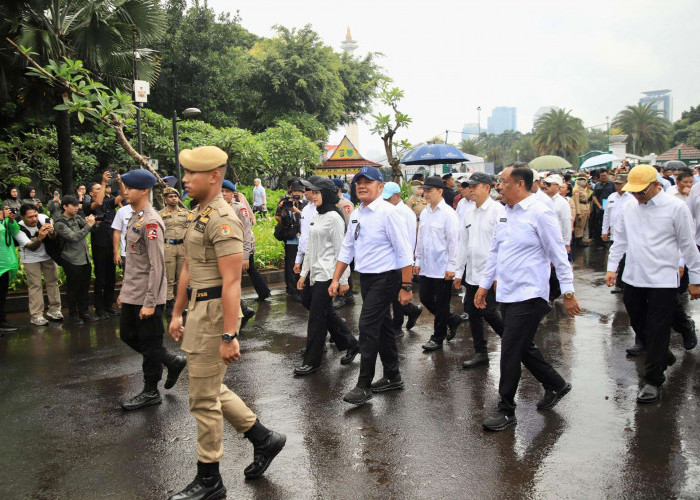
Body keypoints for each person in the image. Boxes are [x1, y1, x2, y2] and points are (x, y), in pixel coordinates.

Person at [168, 146, 285, 498]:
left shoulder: (223, 219)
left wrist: (230, 334)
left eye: (192, 174)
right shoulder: (198, 214)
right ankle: (265, 439)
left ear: (214, 176)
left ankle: (210, 480)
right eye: (185, 173)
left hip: (214, 313)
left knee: (203, 399)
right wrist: (176, 312)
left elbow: (233, 282)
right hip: (197, 310)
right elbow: (188, 267)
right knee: (210, 389)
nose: (184, 180)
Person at [475, 165, 581, 432]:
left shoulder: (540, 213)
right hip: (508, 293)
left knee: (510, 349)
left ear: (519, 184)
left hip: (531, 295)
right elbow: (495, 253)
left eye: (503, 182)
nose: (499, 186)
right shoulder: (505, 213)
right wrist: (483, 286)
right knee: (521, 346)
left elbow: (559, 256)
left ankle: (506, 409)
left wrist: (568, 293)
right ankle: (556, 384)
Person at [606, 165, 700, 404]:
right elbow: (621, 239)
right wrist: (612, 267)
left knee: (658, 328)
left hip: (663, 279)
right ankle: (661, 355)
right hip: (634, 277)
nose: (637, 196)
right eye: (634, 192)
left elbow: (688, 245)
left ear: (656, 185)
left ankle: (653, 380)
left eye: (641, 192)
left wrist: (696, 280)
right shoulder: (629, 207)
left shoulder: (676, 208)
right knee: (638, 323)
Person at [331, 166, 414, 405]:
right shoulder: (358, 213)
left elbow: (404, 251)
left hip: (386, 277)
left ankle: (364, 384)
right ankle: (393, 375)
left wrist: (406, 286)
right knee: (384, 326)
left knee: (367, 327)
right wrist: (337, 278)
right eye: (359, 182)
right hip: (366, 278)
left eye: (368, 182)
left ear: (380, 186)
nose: (362, 186)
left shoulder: (388, 213)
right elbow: (348, 247)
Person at [116, 170, 186, 411]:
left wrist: (149, 302)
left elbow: (157, 267)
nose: (125, 192)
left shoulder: (151, 222)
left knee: (150, 341)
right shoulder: (135, 217)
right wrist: (124, 292)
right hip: (133, 293)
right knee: (127, 335)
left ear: (143, 190)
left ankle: (150, 391)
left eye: (129, 188)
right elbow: (135, 263)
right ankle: (170, 360)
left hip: (148, 296)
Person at [295, 177, 360, 375]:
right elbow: (311, 247)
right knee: (315, 306)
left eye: (316, 193)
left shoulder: (334, 217)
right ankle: (350, 343)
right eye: (311, 193)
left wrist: (342, 280)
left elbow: (343, 250)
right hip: (315, 272)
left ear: (327, 194)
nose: (312, 197)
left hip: (328, 274)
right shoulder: (317, 214)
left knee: (317, 318)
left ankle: (312, 361)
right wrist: (304, 274)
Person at [454, 172, 506, 368]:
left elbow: (503, 246)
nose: (471, 190)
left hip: (490, 274)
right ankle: (480, 352)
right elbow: (463, 244)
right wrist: (459, 272)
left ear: (487, 187)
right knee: (473, 312)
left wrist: (498, 275)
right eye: (469, 186)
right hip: (472, 273)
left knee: (490, 312)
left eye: (475, 186)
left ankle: (516, 345)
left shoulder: (498, 211)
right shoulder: (468, 212)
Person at [414, 176, 462, 351]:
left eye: (429, 190)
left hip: (442, 267)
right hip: (427, 265)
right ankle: (451, 319)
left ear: (440, 191)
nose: (425, 194)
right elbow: (420, 238)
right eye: (424, 190)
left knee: (441, 303)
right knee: (426, 298)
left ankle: (438, 337)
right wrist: (417, 259)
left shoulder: (449, 214)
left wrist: (452, 267)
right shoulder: (425, 212)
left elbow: (454, 243)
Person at [382, 182, 423, 337]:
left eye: (389, 198)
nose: (386, 201)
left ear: (398, 196)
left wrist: (408, 261)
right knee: (392, 294)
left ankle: (397, 326)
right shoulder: (387, 210)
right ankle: (412, 311)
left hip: (401, 259)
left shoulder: (405, 213)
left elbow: (410, 239)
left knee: (398, 293)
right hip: (388, 260)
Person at [53, 195, 100, 325]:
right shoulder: (60, 223)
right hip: (71, 259)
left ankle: (84, 312)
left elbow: (92, 228)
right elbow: (74, 237)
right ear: (65, 206)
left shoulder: (77, 218)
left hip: (84, 258)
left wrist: (93, 222)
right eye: (73, 205)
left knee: (85, 287)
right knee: (74, 287)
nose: (76, 207)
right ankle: (73, 314)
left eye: (77, 205)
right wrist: (89, 225)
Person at [83, 172, 125, 319]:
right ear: (90, 193)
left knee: (111, 277)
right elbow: (98, 202)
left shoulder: (108, 202)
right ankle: (99, 308)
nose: (104, 187)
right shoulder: (88, 206)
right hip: (99, 243)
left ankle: (109, 306)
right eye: (97, 188)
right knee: (100, 278)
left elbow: (123, 195)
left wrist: (120, 182)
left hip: (110, 242)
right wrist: (102, 182)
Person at [15, 204, 63, 325]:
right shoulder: (18, 228)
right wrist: (40, 237)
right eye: (30, 217)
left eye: (35, 215)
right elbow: (32, 247)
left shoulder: (44, 219)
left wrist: (52, 232)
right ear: (23, 217)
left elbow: (54, 237)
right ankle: (36, 315)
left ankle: (55, 309)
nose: (34, 219)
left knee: (53, 281)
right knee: (35, 286)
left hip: (47, 255)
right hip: (30, 258)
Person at [221, 180, 260, 327]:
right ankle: (241, 311)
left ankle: (240, 312)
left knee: (229, 284)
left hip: (236, 252)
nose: (224, 194)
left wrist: (245, 256)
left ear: (233, 194)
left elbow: (247, 233)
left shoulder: (239, 208)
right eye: (221, 191)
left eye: (227, 192)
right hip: (222, 252)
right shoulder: (215, 208)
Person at [159, 187, 190, 318]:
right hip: (168, 246)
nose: (174, 199)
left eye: (176, 196)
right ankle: (170, 305)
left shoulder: (185, 213)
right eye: (171, 196)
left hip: (182, 246)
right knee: (169, 278)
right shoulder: (160, 214)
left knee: (182, 278)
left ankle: (181, 304)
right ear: (165, 199)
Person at [276, 182, 305, 299]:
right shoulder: (286, 203)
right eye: (295, 192)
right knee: (290, 264)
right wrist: (283, 209)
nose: (297, 194)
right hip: (291, 238)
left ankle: (301, 287)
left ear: (303, 193)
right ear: (291, 193)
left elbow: (307, 217)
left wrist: (295, 210)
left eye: (299, 191)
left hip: (303, 238)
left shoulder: (306, 204)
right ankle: (292, 290)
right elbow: (277, 217)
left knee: (302, 264)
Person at [0, 206, 20, 333]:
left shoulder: (5, 222)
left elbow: (14, 231)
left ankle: (2, 321)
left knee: (2, 295)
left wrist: (11, 220)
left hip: (5, 264)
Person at [591, 169, 615, 247]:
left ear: (608, 175)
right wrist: (599, 205)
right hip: (600, 208)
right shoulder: (598, 185)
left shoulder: (613, 185)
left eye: (604, 175)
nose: (603, 177)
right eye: (601, 176)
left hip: (611, 208)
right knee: (599, 225)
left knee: (610, 224)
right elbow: (594, 196)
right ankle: (600, 242)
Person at [111, 200, 134, 270]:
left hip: (143, 254)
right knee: (127, 278)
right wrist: (116, 252)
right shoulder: (122, 211)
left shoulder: (147, 211)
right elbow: (117, 232)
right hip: (126, 253)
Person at [572, 174, 592, 247]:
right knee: (579, 225)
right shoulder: (576, 190)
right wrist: (578, 213)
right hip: (580, 207)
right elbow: (576, 201)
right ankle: (578, 240)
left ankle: (581, 239)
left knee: (583, 224)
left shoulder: (583, 190)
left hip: (585, 207)